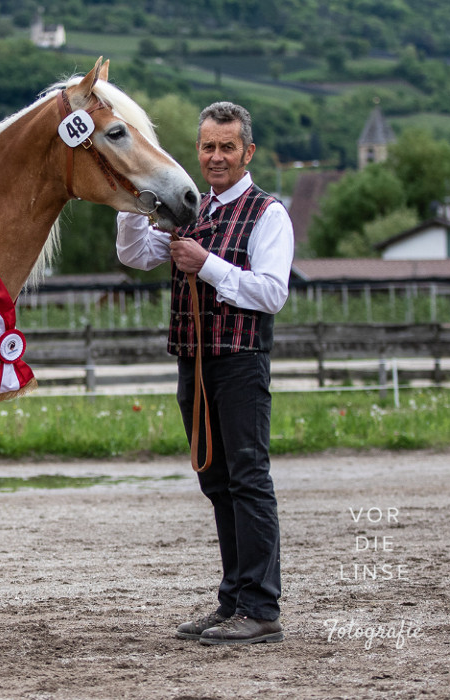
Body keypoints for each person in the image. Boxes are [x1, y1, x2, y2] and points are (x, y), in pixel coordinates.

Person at [116, 101, 293, 646]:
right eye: (208, 147)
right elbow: (134, 255)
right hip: (192, 360)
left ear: (248, 152)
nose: (216, 157)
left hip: (240, 362)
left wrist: (207, 265)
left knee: (248, 478)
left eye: (227, 147)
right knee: (216, 481)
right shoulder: (187, 207)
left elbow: (272, 291)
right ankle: (234, 600)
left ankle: (261, 609)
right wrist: (130, 202)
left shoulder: (269, 213)